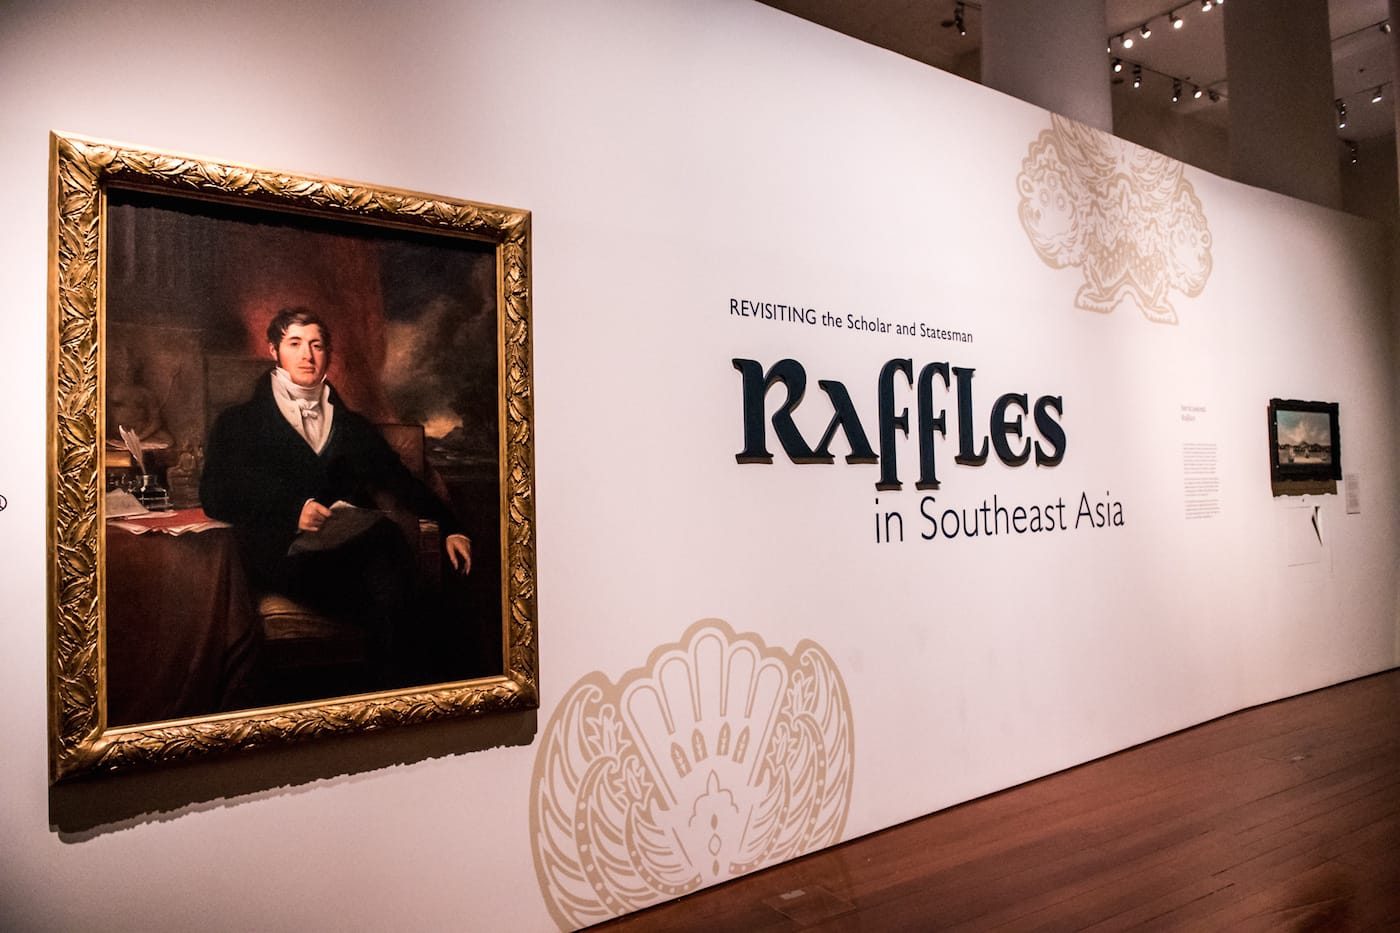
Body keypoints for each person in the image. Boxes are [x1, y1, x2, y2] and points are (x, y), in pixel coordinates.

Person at [200, 307, 472, 687]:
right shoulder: (238, 422)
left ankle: (401, 696)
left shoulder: (350, 425)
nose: (307, 355)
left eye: (316, 345)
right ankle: (402, 696)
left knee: (390, 565)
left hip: (353, 547)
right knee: (395, 593)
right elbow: (216, 493)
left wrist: (451, 526)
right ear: (274, 350)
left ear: (328, 354)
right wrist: (291, 509)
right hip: (282, 553)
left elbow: (398, 479)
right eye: (295, 343)